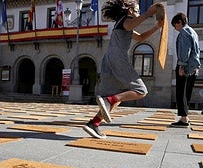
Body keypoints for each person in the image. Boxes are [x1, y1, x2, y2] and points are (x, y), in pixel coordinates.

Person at [83, 0, 163, 139]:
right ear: (130, 11)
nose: (138, 13)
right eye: (137, 10)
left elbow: (140, 38)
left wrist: (156, 27)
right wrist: (148, 14)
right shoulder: (127, 20)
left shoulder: (122, 23)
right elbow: (132, 24)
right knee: (141, 91)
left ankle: (93, 124)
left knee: (116, 97)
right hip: (118, 59)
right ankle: (109, 100)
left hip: (108, 60)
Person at [170, 13, 201, 127]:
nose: (175, 28)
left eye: (175, 25)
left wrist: (182, 66)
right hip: (194, 66)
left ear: (179, 22)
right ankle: (185, 117)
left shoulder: (184, 32)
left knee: (181, 92)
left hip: (186, 66)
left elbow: (184, 51)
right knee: (187, 93)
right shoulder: (193, 32)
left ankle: (183, 119)